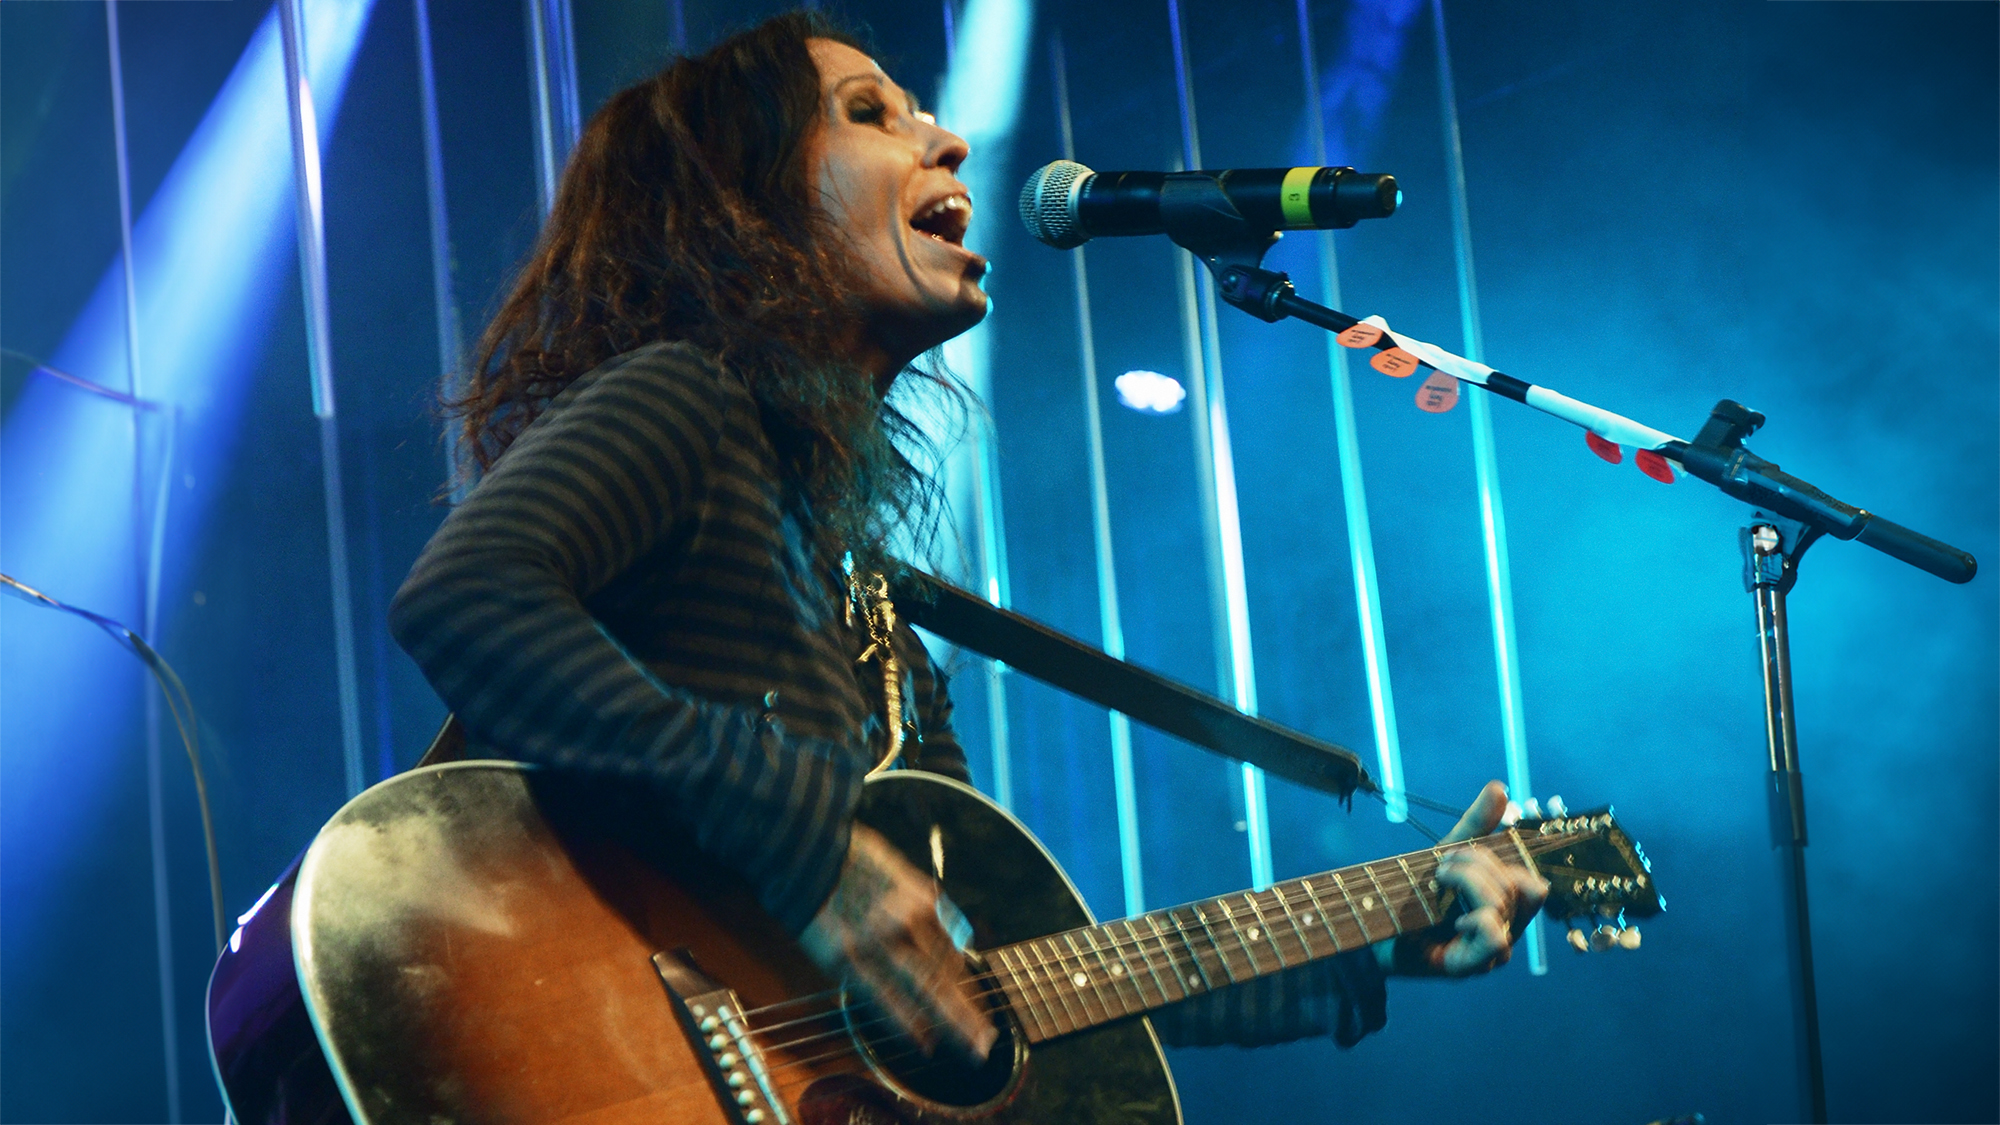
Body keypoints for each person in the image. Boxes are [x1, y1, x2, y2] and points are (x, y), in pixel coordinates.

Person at [389, 10, 1546, 1075]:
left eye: (918, 111)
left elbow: (1012, 979)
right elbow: (469, 595)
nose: (942, 139)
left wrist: (1373, 943)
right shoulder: (683, 396)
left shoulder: (870, 617)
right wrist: (807, 851)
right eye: (868, 115)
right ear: (741, 201)